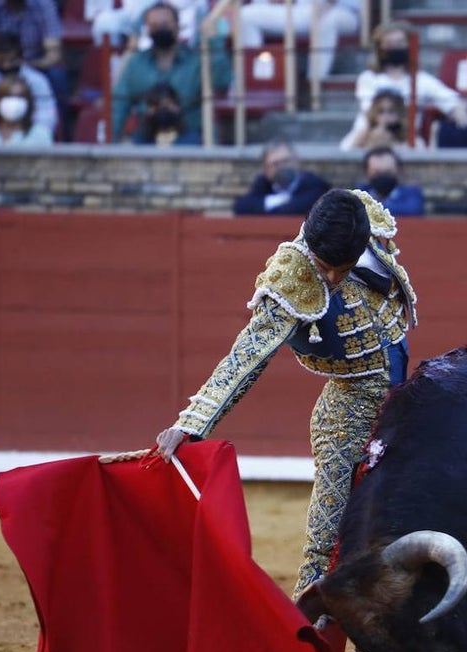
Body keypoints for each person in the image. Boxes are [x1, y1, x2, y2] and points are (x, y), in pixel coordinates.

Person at [154, 188, 417, 603]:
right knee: (328, 531)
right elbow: (248, 356)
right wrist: (191, 424)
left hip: (404, 391)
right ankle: (311, 610)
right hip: (349, 407)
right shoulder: (292, 277)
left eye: (342, 268)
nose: (331, 278)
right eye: (325, 267)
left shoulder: (359, 219)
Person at [348, 20, 467, 150]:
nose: (395, 48)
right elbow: (370, 111)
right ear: (380, 48)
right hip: (368, 137)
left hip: (406, 139)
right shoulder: (368, 78)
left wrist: (459, 112)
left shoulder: (422, 80)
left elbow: (451, 100)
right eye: (389, 44)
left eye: (400, 43)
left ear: (409, 45)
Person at [111, 1, 202, 143]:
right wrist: (111, 143)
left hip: (189, 138)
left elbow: (222, 82)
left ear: (177, 26)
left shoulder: (197, 62)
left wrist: (214, 40)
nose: (160, 29)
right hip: (146, 137)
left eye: (165, 25)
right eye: (154, 26)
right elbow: (119, 105)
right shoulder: (136, 63)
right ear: (147, 30)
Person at [0, 0, 67, 107]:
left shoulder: (44, 3)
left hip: (33, 64)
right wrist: (0, 66)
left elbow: (54, 55)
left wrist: (24, 66)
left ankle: (60, 122)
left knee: (57, 77)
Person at [238, 0, 360, 83]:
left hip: (344, 11)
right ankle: (251, 82)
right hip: (303, 10)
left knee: (326, 22)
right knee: (246, 15)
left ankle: (315, 85)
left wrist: (328, 3)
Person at [0, 31, 57, 136]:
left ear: (21, 58)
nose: (7, 66)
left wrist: (26, 136)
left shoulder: (38, 81)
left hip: (29, 137)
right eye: (2, 61)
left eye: (12, 61)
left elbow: (47, 118)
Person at [233, 138, 331, 216]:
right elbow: (241, 207)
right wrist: (275, 201)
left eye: (286, 161)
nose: (282, 167)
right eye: (276, 164)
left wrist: (266, 211)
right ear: (267, 170)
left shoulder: (314, 184)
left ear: (296, 161)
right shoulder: (263, 184)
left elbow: (300, 208)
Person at [0, 72, 52, 145]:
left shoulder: (40, 135)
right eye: (8, 96)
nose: (14, 102)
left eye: (19, 97)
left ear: (28, 102)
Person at [339, 89, 424, 152]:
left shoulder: (411, 139)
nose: (385, 117)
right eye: (381, 112)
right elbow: (343, 152)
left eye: (391, 112)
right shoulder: (362, 134)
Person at [357, 146, 424, 217]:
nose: (383, 177)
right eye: (377, 173)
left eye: (388, 172)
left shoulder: (411, 193)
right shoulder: (359, 194)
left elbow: (413, 211)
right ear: (366, 172)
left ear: (399, 171)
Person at [132, 81, 201, 146]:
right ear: (148, 110)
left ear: (178, 107)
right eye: (156, 105)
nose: (162, 109)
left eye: (168, 104)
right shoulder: (140, 143)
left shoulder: (193, 142)